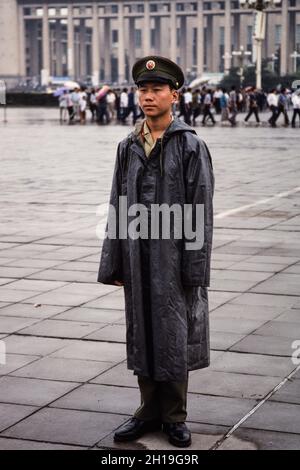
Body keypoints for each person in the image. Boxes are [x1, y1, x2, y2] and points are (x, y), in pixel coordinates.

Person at [97, 55, 214, 448]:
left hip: (174, 258)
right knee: (142, 330)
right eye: (143, 90)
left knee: (174, 335)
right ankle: (147, 409)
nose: (148, 96)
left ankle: (175, 416)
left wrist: (194, 268)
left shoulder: (190, 145)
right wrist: (114, 260)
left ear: (174, 95)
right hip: (136, 255)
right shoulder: (127, 145)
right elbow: (117, 204)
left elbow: (200, 210)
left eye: (156, 89)